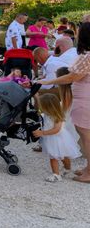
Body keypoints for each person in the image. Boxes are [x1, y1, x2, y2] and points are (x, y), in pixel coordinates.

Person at [38, 22, 90, 184]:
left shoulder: (88, 56)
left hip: (84, 100)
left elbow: (72, 77)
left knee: (86, 137)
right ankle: (88, 168)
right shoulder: (86, 55)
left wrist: (49, 80)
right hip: (82, 98)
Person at [32, 93, 81, 182]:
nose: (40, 107)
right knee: (63, 155)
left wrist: (42, 133)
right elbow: (37, 110)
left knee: (54, 157)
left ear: (48, 107)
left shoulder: (56, 116)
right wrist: (36, 97)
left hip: (57, 139)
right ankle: (67, 169)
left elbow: (56, 130)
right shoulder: (46, 113)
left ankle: (56, 175)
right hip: (52, 138)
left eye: (42, 105)